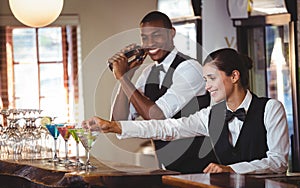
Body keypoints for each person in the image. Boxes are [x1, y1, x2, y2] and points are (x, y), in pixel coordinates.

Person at [83, 48, 289, 174]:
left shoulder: (270, 109)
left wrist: (232, 169)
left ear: (234, 76)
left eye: (212, 78)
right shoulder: (211, 114)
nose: (207, 86)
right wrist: (113, 126)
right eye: (205, 79)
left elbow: (278, 162)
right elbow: (166, 128)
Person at [108, 11, 210, 173]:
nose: (150, 43)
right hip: (168, 168)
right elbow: (119, 120)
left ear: (172, 34)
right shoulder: (148, 73)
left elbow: (157, 116)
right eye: (145, 38)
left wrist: (122, 78)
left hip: (201, 167)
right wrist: (127, 76)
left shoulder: (190, 68)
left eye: (157, 35)